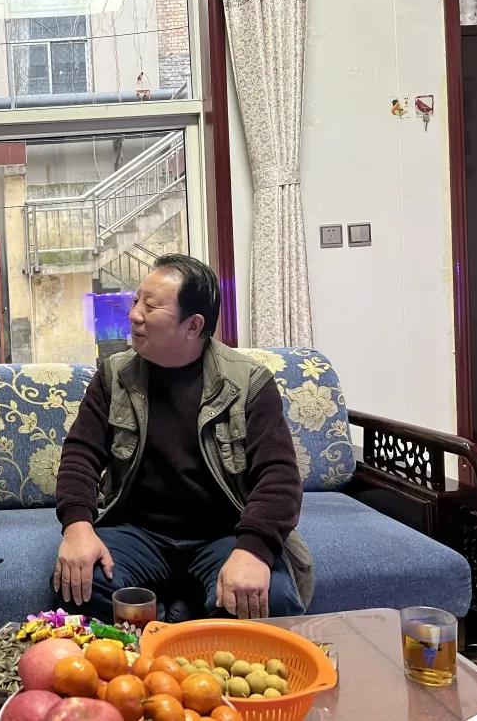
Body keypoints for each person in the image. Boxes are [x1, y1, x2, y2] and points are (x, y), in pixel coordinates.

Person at [52, 254, 312, 623]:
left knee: (273, 600)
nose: (134, 315)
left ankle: (175, 618)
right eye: (136, 301)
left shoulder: (248, 383)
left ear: (193, 326)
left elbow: (279, 477)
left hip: (224, 533)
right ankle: (180, 620)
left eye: (150, 306)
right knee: (79, 584)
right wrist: (77, 527)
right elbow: (81, 454)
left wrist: (254, 550)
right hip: (137, 532)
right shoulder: (115, 376)